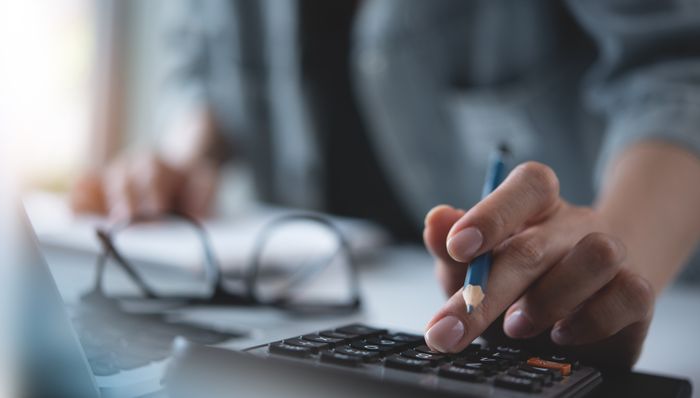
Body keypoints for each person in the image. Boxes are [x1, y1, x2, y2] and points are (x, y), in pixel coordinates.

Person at [71, 0, 700, 368]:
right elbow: (204, 55)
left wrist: (612, 252)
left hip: (652, 301)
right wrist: (186, 154)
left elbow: (678, 65)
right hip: (332, 299)